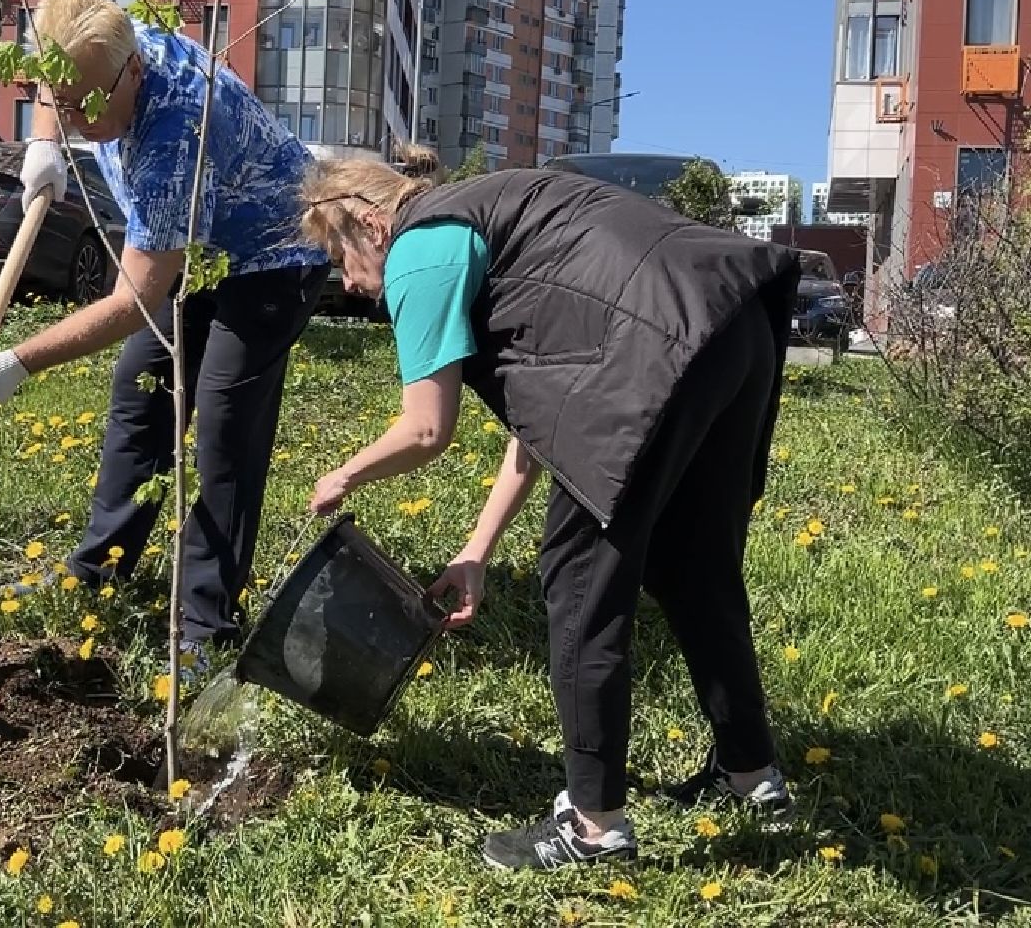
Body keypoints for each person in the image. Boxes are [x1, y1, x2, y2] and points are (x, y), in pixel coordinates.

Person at [297, 158, 800, 872]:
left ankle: (594, 829)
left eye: (337, 256)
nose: (344, 282)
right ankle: (752, 779)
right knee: (696, 570)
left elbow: (424, 431)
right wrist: (476, 549)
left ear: (369, 224)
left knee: (578, 586)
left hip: (649, 351)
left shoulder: (418, 247)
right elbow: (546, 425)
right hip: (727, 322)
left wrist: (343, 474)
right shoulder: (496, 211)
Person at [0, 0, 328, 665]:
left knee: (222, 427)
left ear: (132, 75)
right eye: (60, 103)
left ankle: (206, 626)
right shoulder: (100, 43)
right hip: (198, 249)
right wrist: (45, 143)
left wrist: (20, 361)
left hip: (272, 254)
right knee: (140, 391)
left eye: (87, 105)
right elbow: (55, 72)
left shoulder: (175, 132)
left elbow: (136, 298)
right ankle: (99, 570)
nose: (76, 119)